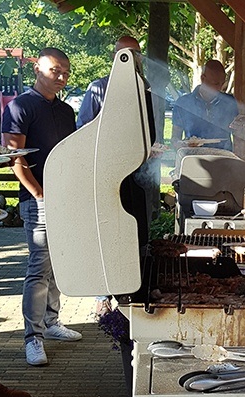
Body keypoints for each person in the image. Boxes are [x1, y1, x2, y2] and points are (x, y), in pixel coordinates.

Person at [1, 48, 82, 367]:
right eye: (54, 70)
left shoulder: (65, 111)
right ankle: (31, 338)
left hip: (66, 198)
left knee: (58, 264)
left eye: (65, 72)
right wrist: (38, 193)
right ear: (37, 68)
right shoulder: (20, 106)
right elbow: (12, 156)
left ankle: (52, 323)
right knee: (38, 267)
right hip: (38, 200)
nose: (61, 76)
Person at [75, 35, 143, 317]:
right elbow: (82, 129)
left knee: (132, 230)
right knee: (105, 230)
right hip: (104, 173)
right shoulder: (98, 88)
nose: (132, 59)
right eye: (125, 54)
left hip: (136, 172)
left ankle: (129, 289)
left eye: (135, 54)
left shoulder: (144, 88)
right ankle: (102, 296)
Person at [171, 60, 245, 152]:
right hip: (193, 158)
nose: (220, 88)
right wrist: (179, 144)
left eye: (222, 83)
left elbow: (239, 136)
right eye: (215, 83)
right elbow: (175, 137)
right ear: (203, 78)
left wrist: (241, 126)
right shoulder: (183, 103)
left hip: (223, 158)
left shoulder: (230, 102)